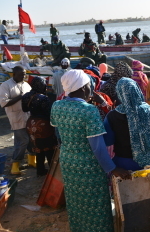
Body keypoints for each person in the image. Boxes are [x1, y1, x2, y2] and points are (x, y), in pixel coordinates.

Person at [50, 69, 130, 232]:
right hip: (89, 165)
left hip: (68, 160)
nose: (91, 88)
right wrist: (113, 169)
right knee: (96, 203)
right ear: (82, 87)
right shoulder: (89, 111)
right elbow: (97, 147)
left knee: (76, 200)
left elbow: (58, 133)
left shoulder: (57, 105)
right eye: (89, 85)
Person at [103, 78, 150, 171]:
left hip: (124, 166)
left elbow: (108, 142)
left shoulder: (111, 116)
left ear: (119, 94)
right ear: (137, 90)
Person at [0, 66, 32, 174]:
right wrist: (20, 97)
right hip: (16, 117)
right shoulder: (5, 85)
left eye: (25, 74)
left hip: (28, 116)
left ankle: (31, 160)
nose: (24, 76)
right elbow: (3, 103)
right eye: (21, 74)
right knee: (22, 141)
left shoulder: (26, 84)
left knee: (32, 139)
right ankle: (15, 164)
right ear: (14, 74)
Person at [21, 77, 57, 176]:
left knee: (38, 148)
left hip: (31, 124)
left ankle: (40, 170)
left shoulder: (25, 96)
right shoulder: (43, 98)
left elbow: (24, 110)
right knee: (50, 148)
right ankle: (52, 170)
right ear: (42, 85)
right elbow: (49, 113)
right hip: (43, 125)